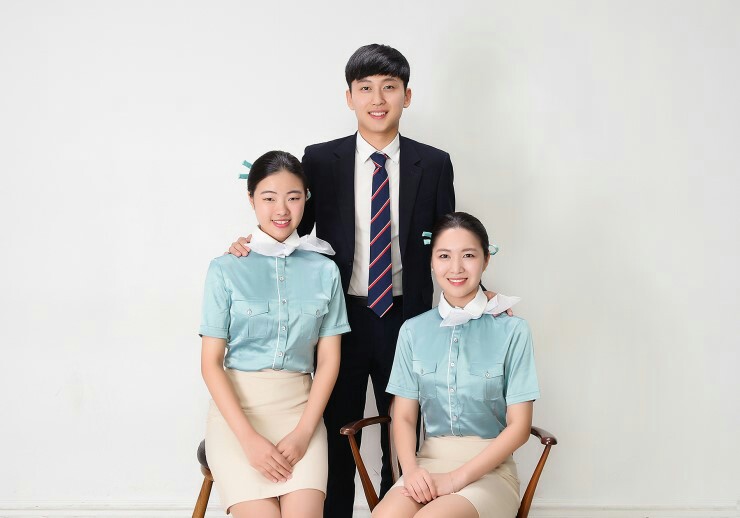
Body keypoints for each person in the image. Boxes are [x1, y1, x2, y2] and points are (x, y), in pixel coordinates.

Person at [229, 44, 455, 517]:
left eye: (389, 87)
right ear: (349, 97)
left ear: (407, 96)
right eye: (365, 88)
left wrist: (479, 292)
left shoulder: (433, 163)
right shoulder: (320, 160)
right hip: (339, 321)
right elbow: (292, 226)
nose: (378, 99)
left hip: (407, 318)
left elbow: (447, 241)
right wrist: (251, 244)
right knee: (335, 436)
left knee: (403, 436)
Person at [200, 150, 351, 518]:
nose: (281, 209)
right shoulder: (225, 269)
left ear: (306, 199)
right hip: (237, 420)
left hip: (302, 416)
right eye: (269, 198)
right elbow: (210, 364)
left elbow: (329, 361)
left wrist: (303, 433)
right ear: (251, 198)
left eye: (293, 197)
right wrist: (249, 440)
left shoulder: (325, 270)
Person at [372, 212, 539, 518]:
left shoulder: (513, 330)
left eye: (469, 255)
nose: (456, 268)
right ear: (432, 261)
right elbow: (404, 416)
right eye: (444, 256)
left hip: (490, 472)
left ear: (486, 260)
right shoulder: (413, 331)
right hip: (427, 465)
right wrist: (411, 471)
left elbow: (519, 427)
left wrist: (455, 479)